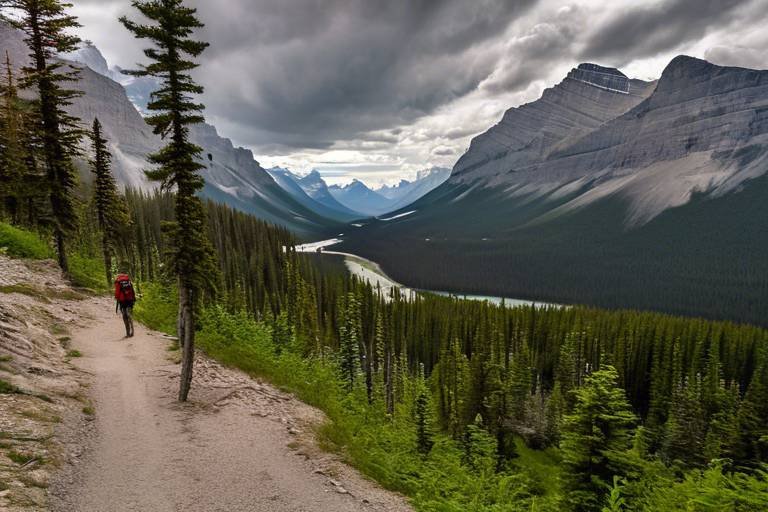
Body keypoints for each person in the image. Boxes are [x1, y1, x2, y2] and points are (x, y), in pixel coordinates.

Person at [114, 270, 136, 338]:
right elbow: (132, 290)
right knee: (129, 313)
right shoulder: (128, 280)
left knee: (124, 315)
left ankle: (127, 333)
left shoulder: (118, 281)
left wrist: (116, 297)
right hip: (130, 299)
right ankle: (132, 331)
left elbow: (117, 292)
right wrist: (133, 298)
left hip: (122, 300)